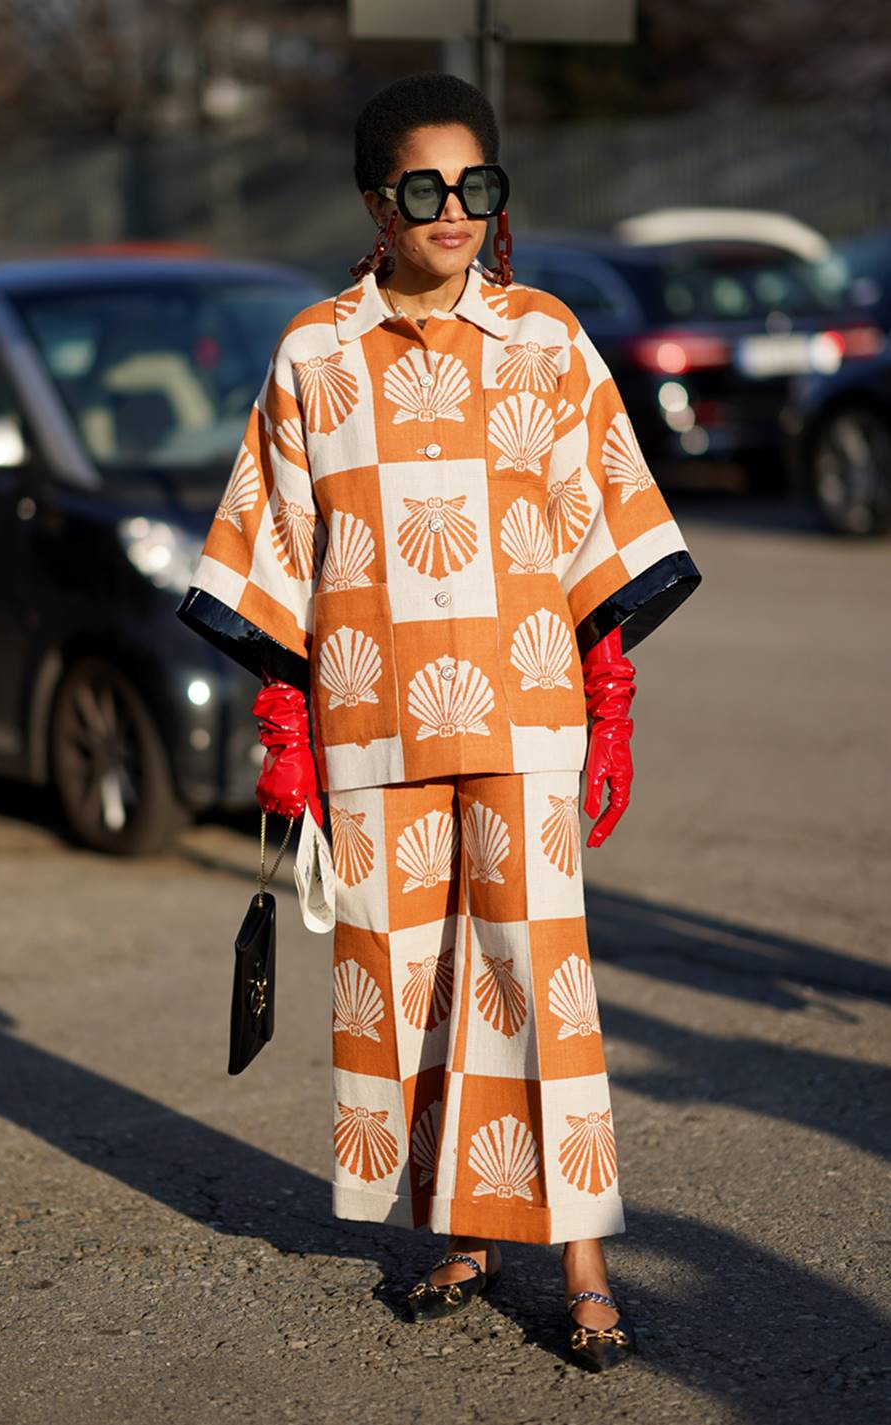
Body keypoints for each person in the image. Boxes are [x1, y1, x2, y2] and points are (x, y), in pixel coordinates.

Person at [178, 72, 701, 1372]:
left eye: (477, 185)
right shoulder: (313, 353)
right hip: (373, 727)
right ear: (374, 201)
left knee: (538, 981)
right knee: (414, 984)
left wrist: (611, 696)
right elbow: (277, 559)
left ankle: (580, 1260)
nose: (455, 210)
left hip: (525, 718)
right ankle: (465, 1232)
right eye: (425, 188)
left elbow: (603, 531)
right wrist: (286, 724)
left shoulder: (546, 338)